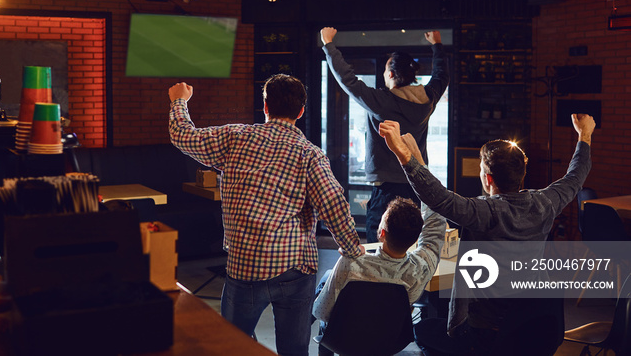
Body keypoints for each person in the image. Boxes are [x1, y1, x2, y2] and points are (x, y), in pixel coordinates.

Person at [168, 74, 365, 356]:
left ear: (265, 107)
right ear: (301, 111)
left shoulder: (234, 138)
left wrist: (179, 101)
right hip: (294, 268)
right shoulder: (309, 154)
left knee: (233, 347)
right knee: (294, 349)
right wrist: (352, 249)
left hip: (244, 266)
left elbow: (182, 136)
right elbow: (332, 204)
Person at [378, 113, 595, 355]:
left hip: (485, 335)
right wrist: (584, 135)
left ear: (487, 178)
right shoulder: (545, 204)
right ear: (521, 174)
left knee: (422, 330)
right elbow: (576, 176)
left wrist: (404, 154)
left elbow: (437, 198)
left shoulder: (484, 211)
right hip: (532, 329)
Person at [319, 27, 449, 242]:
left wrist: (328, 44)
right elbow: (441, 75)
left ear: (390, 74)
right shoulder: (428, 98)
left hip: (386, 188)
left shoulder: (382, 101)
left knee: (379, 244)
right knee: (410, 243)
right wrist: (437, 45)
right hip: (418, 183)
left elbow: (348, 80)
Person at [313, 194, 446, 324]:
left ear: (382, 233)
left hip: (343, 341)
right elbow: (433, 235)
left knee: (327, 278)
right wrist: (427, 188)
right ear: (415, 239)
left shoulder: (352, 264)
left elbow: (321, 313)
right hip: (388, 341)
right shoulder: (420, 269)